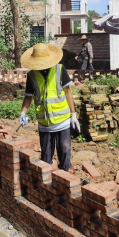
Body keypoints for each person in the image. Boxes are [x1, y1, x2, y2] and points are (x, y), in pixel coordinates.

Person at [19, 43, 80, 172]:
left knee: (64, 153)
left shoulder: (60, 70)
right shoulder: (32, 75)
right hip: (44, 123)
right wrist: (23, 112)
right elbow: (28, 97)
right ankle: (47, 180)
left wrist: (73, 114)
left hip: (62, 121)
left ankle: (65, 177)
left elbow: (68, 92)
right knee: (45, 159)